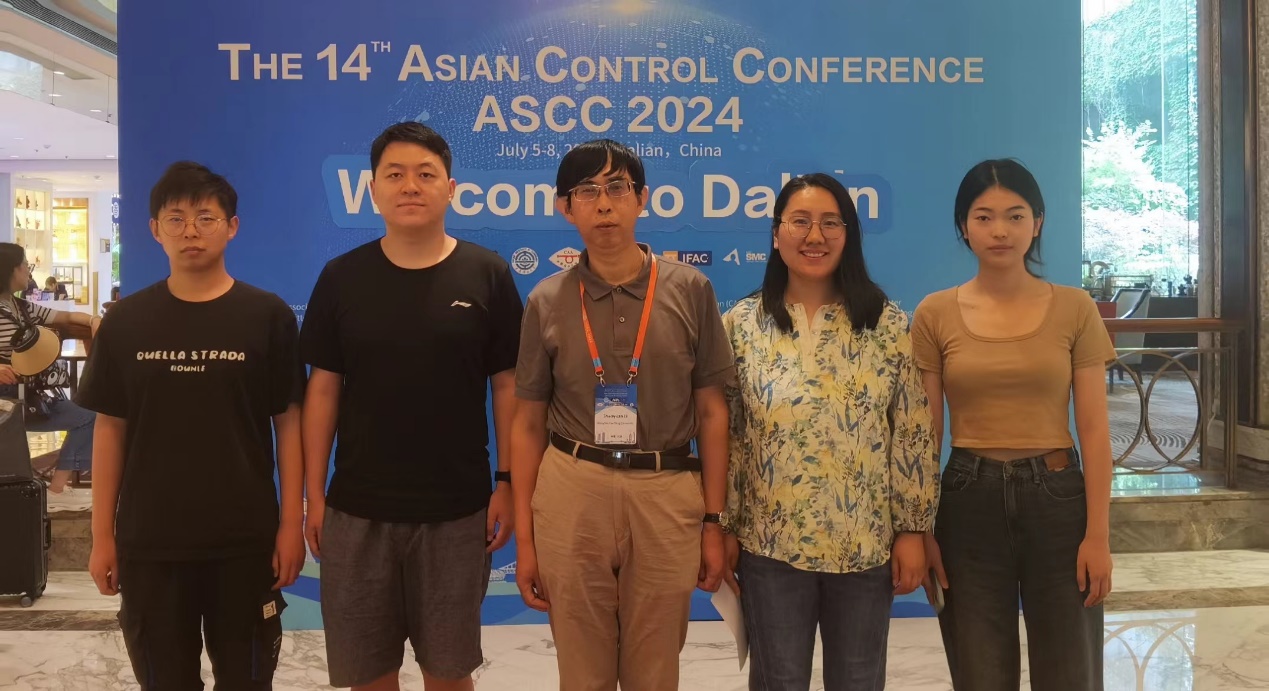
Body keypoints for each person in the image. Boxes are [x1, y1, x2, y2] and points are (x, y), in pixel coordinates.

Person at [300, 122, 522, 691]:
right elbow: (322, 390)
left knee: (448, 673)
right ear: (373, 189)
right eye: (394, 174)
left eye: (426, 174)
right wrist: (314, 495)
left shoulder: (488, 274)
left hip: (457, 511)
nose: (410, 186)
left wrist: (507, 481)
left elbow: (507, 387)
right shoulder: (342, 277)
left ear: (451, 188)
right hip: (357, 509)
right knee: (369, 675)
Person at [510, 139, 733, 691]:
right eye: (587, 191)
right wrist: (526, 541)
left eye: (617, 187)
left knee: (654, 671)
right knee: (581, 672)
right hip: (572, 487)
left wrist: (713, 521)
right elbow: (527, 423)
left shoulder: (691, 289)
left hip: (665, 489)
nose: (604, 204)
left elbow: (712, 413)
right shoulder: (546, 299)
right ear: (565, 207)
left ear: (642, 198)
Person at [77, 162, 307, 689]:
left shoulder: (267, 316)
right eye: (176, 219)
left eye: (206, 217)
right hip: (150, 543)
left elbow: (288, 424)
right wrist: (102, 536)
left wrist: (290, 526)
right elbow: (110, 430)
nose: (191, 232)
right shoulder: (125, 322)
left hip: (245, 542)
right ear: (154, 229)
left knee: (247, 682)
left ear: (232, 227)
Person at [722, 174, 940, 691]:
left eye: (830, 223)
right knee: (777, 682)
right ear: (776, 234)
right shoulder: (742, 325)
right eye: (800, 222)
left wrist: (913, 529)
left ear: (849, 235)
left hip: (864, 546)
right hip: (770, 548)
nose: (814, 236)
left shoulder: (886, 324)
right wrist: (724, 526)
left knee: (859, 681)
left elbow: (912, 432)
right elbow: (729, 436)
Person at [912, 159, 1115, 691]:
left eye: (1015, 215)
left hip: (1058, 500)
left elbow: (1095, 430)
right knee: (980, 673)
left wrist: (1098, 535)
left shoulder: (1075, 308)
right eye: (983, 217)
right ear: (964, 226)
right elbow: (926, 435)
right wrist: (921, 527)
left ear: (1037, 222)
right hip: (967, 500)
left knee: (1070, 673)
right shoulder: (934, 313)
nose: (999, 230)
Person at [0, 242, 97, 511]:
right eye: (25, 265)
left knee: (89, 416)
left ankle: (56, 491)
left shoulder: (21, 306)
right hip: (5, 400)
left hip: (28, 396)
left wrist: (93, 320)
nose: (28, 271)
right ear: (11, 270)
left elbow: (65, 315)